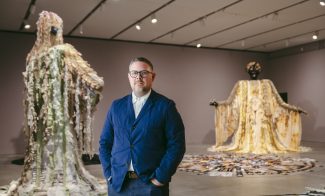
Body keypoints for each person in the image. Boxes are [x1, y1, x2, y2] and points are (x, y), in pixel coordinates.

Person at [5, 11, 106, 195]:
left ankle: (47, 182)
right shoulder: (64, 51)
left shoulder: (32, 58)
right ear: (56, 30)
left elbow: (30, 99)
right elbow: (96, 83)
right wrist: (85, 100)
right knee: (62, 156)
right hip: (59, 123)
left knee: (45, 160)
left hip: (41, 126)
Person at [99, 57, 186, 195]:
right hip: (118, 184)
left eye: (144, 73)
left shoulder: (165, 106)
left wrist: (160, 177)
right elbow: (105, 142)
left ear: (153, 76)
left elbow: (177, 145)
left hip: (151, 184)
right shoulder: (116, 106)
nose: (138, 77)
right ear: (129, 77)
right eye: (134, 73)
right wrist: (109, 174)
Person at [208, 61, 308, 154]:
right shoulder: (241, 84)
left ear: (259, 71)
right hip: (248, 122)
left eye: (256, 70)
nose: (254, 72)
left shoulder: (267, 83)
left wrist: (295, 109)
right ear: (248, 71)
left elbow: (280, 102)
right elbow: (229, 101)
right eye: (251, 70)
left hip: (263, 121)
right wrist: (218, 104)